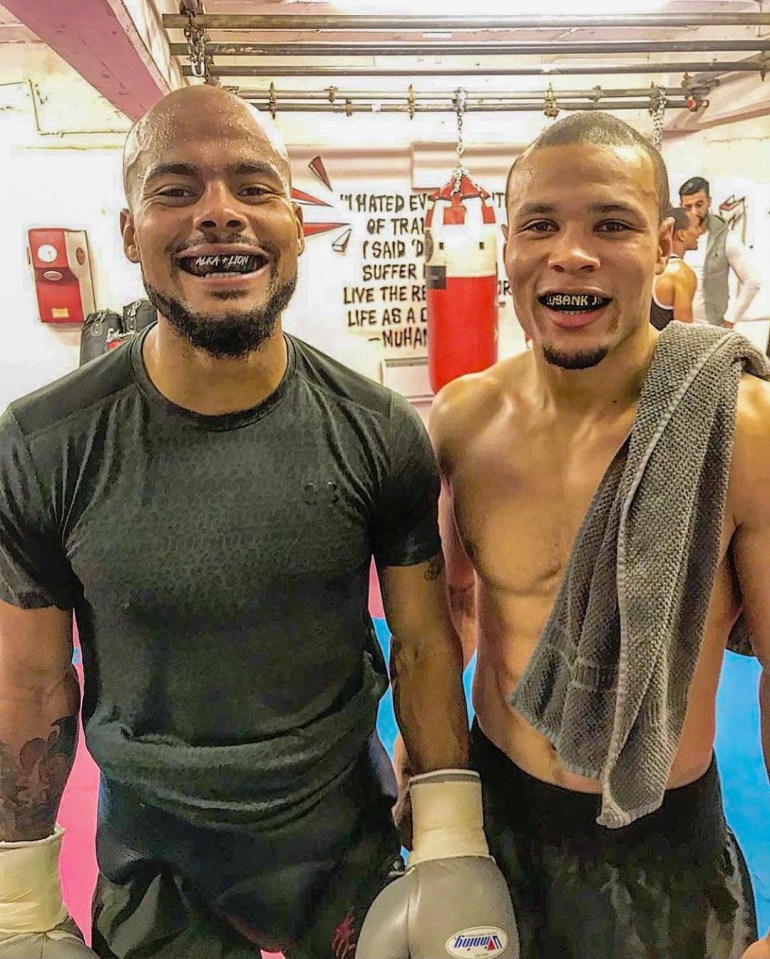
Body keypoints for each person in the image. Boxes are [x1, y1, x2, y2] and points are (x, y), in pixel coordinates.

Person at [0, 85, 518, 959]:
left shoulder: (377, 430)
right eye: (175, 189)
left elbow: (424, 644)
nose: (219, 214)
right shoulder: (45, 445)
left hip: (341, 832)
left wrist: (450, 837)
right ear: (129, 232)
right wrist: (19, 895)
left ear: (295, 219)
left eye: (253, 185)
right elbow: (31, 685)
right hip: (156, 854)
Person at [430, 111, 770, 959]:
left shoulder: (742, 426)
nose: (569, 253)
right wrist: (433, 777)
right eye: (539, 225)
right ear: (504, 249)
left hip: (659, 846)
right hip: (497, 820)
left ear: (662, 246)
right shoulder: (462, 421)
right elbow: (452, 612)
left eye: (610, 224)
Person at [678, 175, 761, 328]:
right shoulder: (674, 237)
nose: (694, 212)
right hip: (678, 329)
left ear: (709, 202)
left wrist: (730, 320)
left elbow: (752, 282)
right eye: (687, 207)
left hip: (712, 328)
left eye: (699, 204)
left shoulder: (727, 238)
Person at [650, 206, 699, 329]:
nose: (699, 232)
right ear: (682, 234)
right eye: (696, 227)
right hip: (664, 347)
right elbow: (684, 335)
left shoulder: (651, 266)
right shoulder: (681, 273)